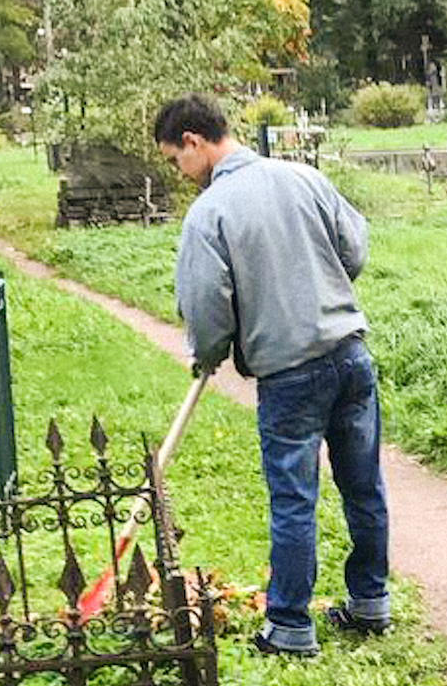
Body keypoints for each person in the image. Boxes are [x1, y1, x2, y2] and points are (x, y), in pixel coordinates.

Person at [155, 93, 390, 656]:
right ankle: (370, 603)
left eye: (174, 159)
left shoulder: (210, 212)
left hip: (290, 375)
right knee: (363, 486)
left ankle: (288, 626)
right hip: (350, 354)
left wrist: (208, 351)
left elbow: (207, 304)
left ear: (193, 142)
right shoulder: (303, 177)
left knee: (293, 498)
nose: (178, 172)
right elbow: (352, 249)